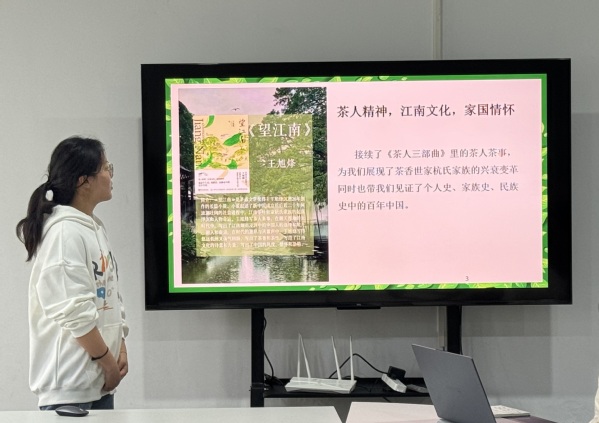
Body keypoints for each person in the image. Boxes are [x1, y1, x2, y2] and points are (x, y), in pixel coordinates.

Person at [16, 136, 129, 410]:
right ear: (83, 181)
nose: (110, 175)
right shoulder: (65, 233)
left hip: (96, 384)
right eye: (106, 168)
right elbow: (74, 311)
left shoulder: (93, 227)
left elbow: (111, 294)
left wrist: (121, 344)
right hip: (70, 389)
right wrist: (108, 364)